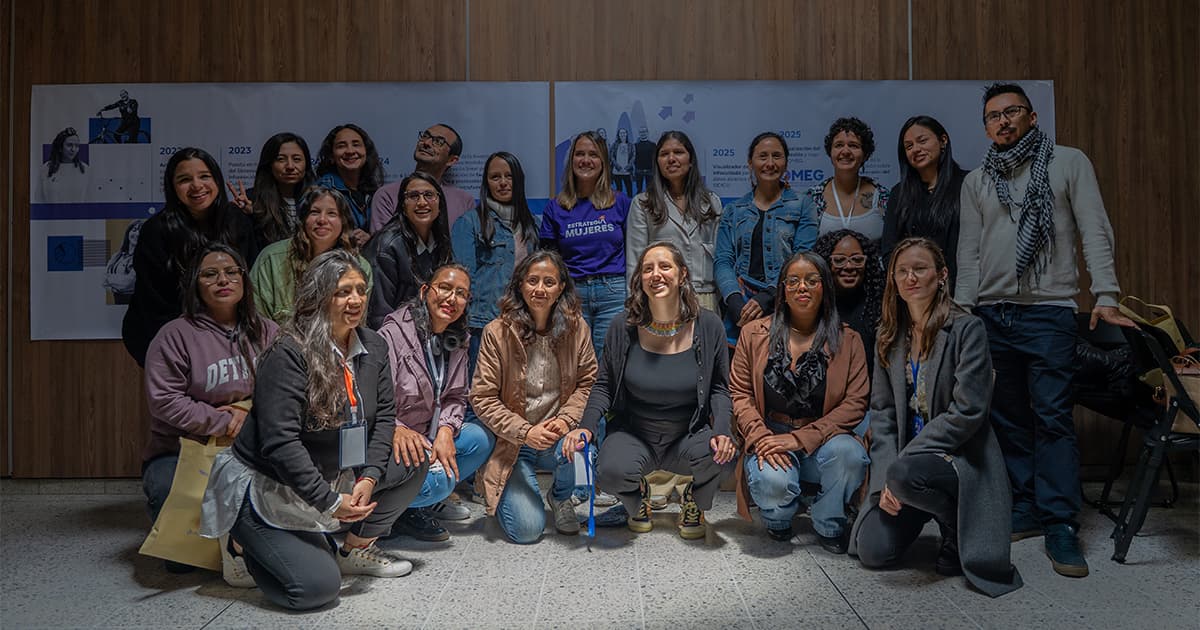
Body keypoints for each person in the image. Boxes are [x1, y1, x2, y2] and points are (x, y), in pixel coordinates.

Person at [956, 82, 1132, 578]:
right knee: (1007, 417)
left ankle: (1060, 523)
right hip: (992, 314)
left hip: (1049, 311)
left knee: (1053, 416)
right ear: (986, 126)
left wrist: (1106, 293)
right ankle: (1028, 505)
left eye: (1012, 112)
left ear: (1032, 117)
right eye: (993, 116)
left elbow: (1095, 228)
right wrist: (964, 310)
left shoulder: (1068, 162)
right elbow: (968, 252)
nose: (1003, 121)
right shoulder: (978, 181)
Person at [200, 250, 427, 611]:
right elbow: (281, 443)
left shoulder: (374, 344)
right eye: (342, 292)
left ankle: (353, 549)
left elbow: (384, 417)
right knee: (315, 590)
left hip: (333, 468)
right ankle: (239, 542)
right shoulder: (288, 352)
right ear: (319, 298)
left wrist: (369, 477)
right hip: (272, 483)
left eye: (360, 290)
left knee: (414, 459)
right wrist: (331, 502)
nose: (355, 300)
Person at [850, 237, 1023, 597]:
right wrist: (884, 482)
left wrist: (902, 462)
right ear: (894, 282)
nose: (910, 277)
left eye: (920, 269)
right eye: (902, 271)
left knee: (905, 472)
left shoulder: (967, 329)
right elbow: (881, 415)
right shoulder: (889, 336)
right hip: (905, 470)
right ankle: (922, 503)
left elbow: (968, 412)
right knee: (872, 551)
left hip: (958, 458)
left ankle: (954, 527)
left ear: (942, 276)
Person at [563, 242, 737, 539]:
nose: (656, 274)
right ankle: (638, 497)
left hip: (688, 435)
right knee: (610, 471)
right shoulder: (622, 326)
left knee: (722, 455)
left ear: (682, 274)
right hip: (635, 434)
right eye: (647, 269)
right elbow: (604, 384)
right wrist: (585, 428)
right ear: (639, 280)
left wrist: (722, 430)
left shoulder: (709, 326)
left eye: (665, 266)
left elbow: (720, 388)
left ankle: (692, 501)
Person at [141, 244, 277, 578]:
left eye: (232, 272)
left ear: (244, 280)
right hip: (183, 449)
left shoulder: (268, 331)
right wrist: (225, 420)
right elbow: (165, 402)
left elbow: (287, 391)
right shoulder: (174, 336)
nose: (223, 280)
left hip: (251, 443)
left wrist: (252, 419)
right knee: (182, 562)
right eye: (210, 274)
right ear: (195, 285)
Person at [729, 251, 870, 553]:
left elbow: (856, 403)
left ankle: (829, 522)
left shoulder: (849, 341)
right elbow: (739, 393)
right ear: (782, 289)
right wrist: (761, 436)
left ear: (825, 287)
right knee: (772, 483)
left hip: (826, 439)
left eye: (811, 280)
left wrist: (799, 439)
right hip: (770, 435)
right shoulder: (754, 334)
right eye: (792, 281)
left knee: (850, 455)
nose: (801, 287)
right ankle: (778, 519)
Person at [471, 250, 598, 543]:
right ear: (520, 285)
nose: (540, 289)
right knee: (527, 531)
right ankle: (494, 481)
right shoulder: (496, 332)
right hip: (514, 441)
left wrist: (567, 421)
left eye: (549, 282)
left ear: (561, 287)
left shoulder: (578, 328)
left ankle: (561, 496)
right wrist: (525, 431)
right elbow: (483, 396)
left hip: (557, 435)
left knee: (585, 451)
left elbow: (589, 382)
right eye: (532, 281)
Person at [378, 264, 494, 541]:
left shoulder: (457, 338)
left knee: (479, 439)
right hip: (392, 441)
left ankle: (420, 504)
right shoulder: (392, 335)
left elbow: (455, 396)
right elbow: (372, 399)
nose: (451, 298)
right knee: (441, 482)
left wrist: (445, 429)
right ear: (424, 291)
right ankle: (394, 511)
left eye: (461, 293)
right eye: (444, 288)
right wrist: (396, 428)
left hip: (427, 435)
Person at [122, 148, 255, 367]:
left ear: (217, 180)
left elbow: (249, 282)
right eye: (185, 179)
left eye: (204, 176)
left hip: (231, 334)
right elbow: (155, 302)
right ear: (172, 187)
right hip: (169, 334)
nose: (196, 186)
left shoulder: (237, 222)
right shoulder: (156, 231)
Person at [714, 132, 818, 345]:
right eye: (763, 156)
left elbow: (804, 258)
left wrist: (769, 296)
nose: (770, 163)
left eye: (776, 156)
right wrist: (734, 301)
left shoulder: (803, 204)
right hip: (741, 308)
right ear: (750, 163)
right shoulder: (733, 210)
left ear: (786, 163)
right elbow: (723, 260)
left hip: (787, 303)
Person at [538, 130, 632, 357]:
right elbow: (549, 259)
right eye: (580, 154)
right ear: (571, 161)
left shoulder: (621, 203)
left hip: (614, 293)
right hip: (572, 293)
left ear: (604, 163)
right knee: (573, 361)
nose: (586, 160)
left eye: (594, 154)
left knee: (610, 362)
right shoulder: (556, 207)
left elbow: (635, 252)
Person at [451, 151, 540, 366]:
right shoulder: (469, 222)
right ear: (486, 183)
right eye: (495, 177)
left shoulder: (532, 224)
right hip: (483, 324)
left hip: (524, 321)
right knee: (481, 392)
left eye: (508, 176)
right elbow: (463, 282)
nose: (502, 183)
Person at [626, 130, 724, 312]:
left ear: (691, 160)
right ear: (657, 162)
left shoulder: (711, 202)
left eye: (678, 152)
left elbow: (722, 259)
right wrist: (636, 306)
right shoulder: (643, 204)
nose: (671, 159)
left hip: (706, 298)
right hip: (660, 300)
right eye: (664, 154)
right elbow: (635, 261)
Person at [249, 187, 373, 324]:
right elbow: (258, 325)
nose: (322, 220)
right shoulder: (271, 259)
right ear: (303, 219)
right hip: (280, 343)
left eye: (332, 213)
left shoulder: (359, 267)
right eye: (314, 212)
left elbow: (357, 324)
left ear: (343, 222)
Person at [883, 115, 968, 287]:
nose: (916, 149)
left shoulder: (968, 184)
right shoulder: (899, 193)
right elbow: (889, 252)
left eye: (922, 141)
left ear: (943, 140)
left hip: (961, 291)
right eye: (909, 146)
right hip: (914, 292)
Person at [363, 172, 454, 329]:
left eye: (429, 195)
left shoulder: (441, 242)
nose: (422, 202)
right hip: (393, 339)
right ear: (403, 206)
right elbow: (378, 315)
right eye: (413, 196)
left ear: (440, 203)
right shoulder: (386, 245)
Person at [372, 123, 475, 231]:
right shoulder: (387, 195)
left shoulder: (464, 201)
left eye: (438, 142)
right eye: (425, 136)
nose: (426, 143)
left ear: (451, 160)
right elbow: (383, 245)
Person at [812, 229, 885, 376]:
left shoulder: (879, 307)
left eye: (857, 260)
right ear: (826, 263)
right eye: (839, 260)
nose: (849, 266)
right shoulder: (813, 307)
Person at [227, 132, 316, 252]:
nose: (290, 166)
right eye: (281, 159)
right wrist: (254, 215)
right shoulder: (251, 201)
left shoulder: (316, 199)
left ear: (306, 164)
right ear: (269, 165)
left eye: (297, 159)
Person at [805, 117, 890, 241]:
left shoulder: (883, 197)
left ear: (865, 154)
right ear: (830, 152)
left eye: (853, 145)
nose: (845, 151)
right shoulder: (812, 198)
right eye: (839, 145)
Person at [315, 124, 384, 247]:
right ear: (331, 156)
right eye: (341, 146)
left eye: (356, 144)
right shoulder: (323, 189)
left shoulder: (373, 190)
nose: (350, 151)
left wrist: (370, 238)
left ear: (366, 152)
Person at [40, 127, 88, 201]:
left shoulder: (85, 169)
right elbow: (39, 198)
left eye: (77, 146)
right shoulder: (46, 168)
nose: (73, 149)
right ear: (60, 147)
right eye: (69, 145)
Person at [610, 128, 635, 197]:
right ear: (618, 135)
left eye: (624, 133)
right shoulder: (614, 145)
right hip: (617, 171)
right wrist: (619, 167)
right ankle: (619, 203)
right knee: (619, 189)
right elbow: (612, 157)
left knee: (629, 189)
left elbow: (633, 157)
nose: (622, 134)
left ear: (626, 134)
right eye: (621, 133)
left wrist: (627, 168)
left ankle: (629, 204)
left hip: (627, 171)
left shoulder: (631, 145)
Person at [633, 127, 656, 193]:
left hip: (650, 171)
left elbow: (655, 158)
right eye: (641, 132)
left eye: (644, 132)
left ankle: (650, 202)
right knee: (639, 189)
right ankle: (638, 202)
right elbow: (633, 158)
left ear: (647, 133)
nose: (643, 133)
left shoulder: (653, 145)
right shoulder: (635, 145)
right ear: (639, 134)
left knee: (650, 190)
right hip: (639, 170)